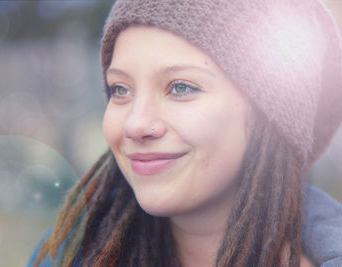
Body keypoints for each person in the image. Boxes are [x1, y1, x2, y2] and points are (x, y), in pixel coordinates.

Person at [29, 0, 342, 266]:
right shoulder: (68, 254)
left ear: (270, 117)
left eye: (181, 87)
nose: (135, 124)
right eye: (120, 89)